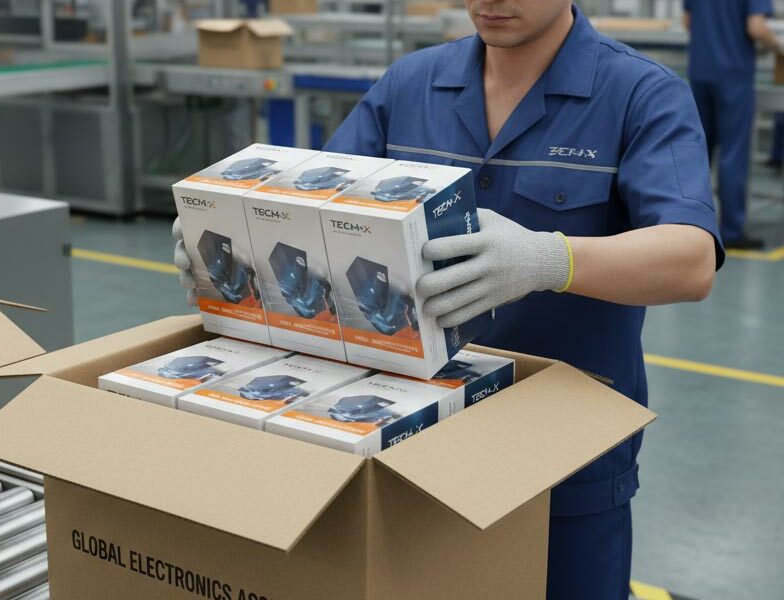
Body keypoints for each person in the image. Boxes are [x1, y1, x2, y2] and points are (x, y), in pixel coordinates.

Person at [174, 1, 723, 598]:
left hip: (563, 455)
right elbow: (316, 211)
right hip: (410, 440)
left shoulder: (640, 93)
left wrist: (549, 260)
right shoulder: (410, 85)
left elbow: (690, 259)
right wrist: (239, 248)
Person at [684, 0, 784, 249]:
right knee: (733, 153)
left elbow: (687, 21)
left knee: (696, 151)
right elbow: (756, 28)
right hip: (733, 74)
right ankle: (731, 231)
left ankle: (688, 225)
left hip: (700, 71)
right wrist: (778, 46)